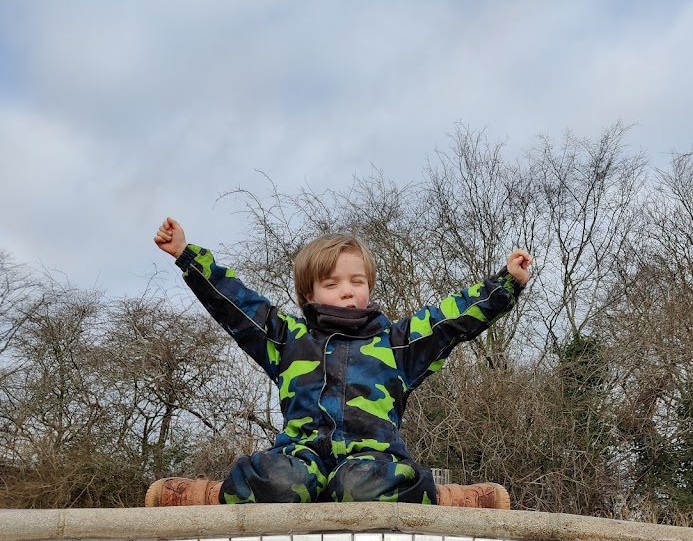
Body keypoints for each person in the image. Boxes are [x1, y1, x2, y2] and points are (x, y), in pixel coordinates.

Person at [146, 217, 531, 509]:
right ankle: (207, 494)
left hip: (371, 460)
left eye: (356, 281)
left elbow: (451, 321)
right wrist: (186, 255)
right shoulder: (287, 340)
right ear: (308, 294)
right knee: (279, 481)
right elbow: (237, 307)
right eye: (331, 284)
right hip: (302, 455)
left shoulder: (397, 344)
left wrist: (505, 284)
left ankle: (446, 498)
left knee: (361, 488)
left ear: (368, 286)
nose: (347, 290)